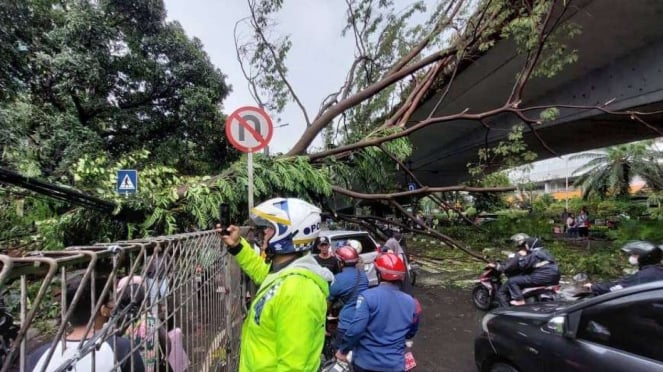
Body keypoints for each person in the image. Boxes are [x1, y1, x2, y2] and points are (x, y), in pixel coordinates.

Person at [219, 197, 334, 372]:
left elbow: (293, 367)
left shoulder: (297, 292)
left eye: (270, 228)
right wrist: (237, 246)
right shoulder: (286, 273)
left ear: (288, 234)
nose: (264, 232)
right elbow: (263, 272)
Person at [27, 277, 145, 372]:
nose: (113, 305)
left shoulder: (38, 356)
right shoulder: (121, 348)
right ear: (103, 310)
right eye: (110, 301)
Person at [335, 253, 421, 372]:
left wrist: (342, 351)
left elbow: (356, 329)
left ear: (378, 274)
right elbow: (411, 333)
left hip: (366, 364)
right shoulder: (413, 303)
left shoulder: (367, 297)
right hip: (395, 365)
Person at [328, 245, 369, 350]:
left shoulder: (338, 279)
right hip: (363, 320)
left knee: (338, 351)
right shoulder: (363, 276)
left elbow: (328, 303)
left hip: (346, 323)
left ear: (341, 262)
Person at [584, 241, 663, 295]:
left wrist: (593, 287)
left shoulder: (645, 275)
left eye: (634, 255)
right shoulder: (656, 270)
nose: (631, 257)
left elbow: (617, 289)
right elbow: (623, 282)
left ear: (644, 257)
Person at [504, 236, 560, 306]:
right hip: (554, 278)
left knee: (512, 281)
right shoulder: (545, 252)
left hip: (541, 278)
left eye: (527, 244)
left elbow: (523, 265)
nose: (526, 245)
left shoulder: (535, 253)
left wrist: (520, 256)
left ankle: (519, 300)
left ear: (532, 244)